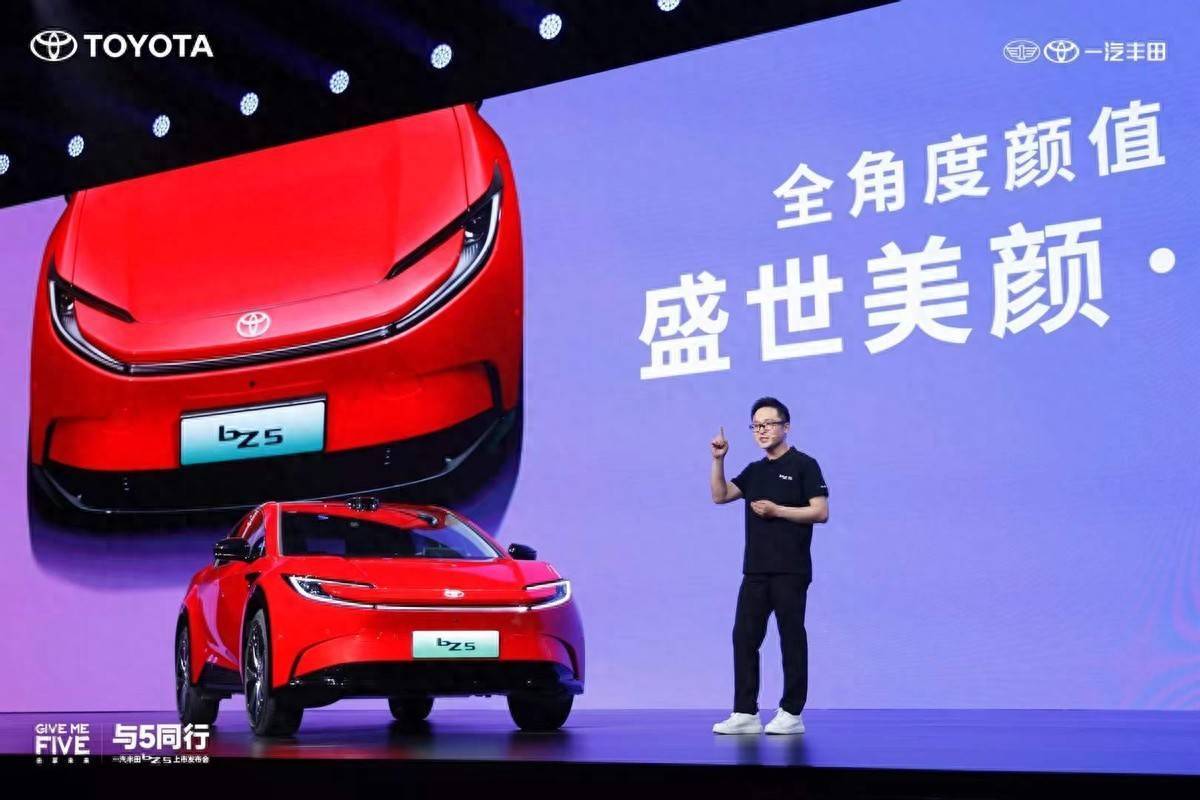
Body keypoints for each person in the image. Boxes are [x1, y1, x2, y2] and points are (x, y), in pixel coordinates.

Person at [709, 396, 829, 735]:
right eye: (756, 426)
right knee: (744, 638)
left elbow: (820, 512)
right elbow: (720, 496)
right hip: (755, 570)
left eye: (769, 424)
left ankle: (791, 712)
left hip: (791, 569)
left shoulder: (805, 465)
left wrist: (778, 511)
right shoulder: (755, 470)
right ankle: (745, 712)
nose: (762, 430)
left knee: (791, 638)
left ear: (785, 427)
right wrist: (718, 460)